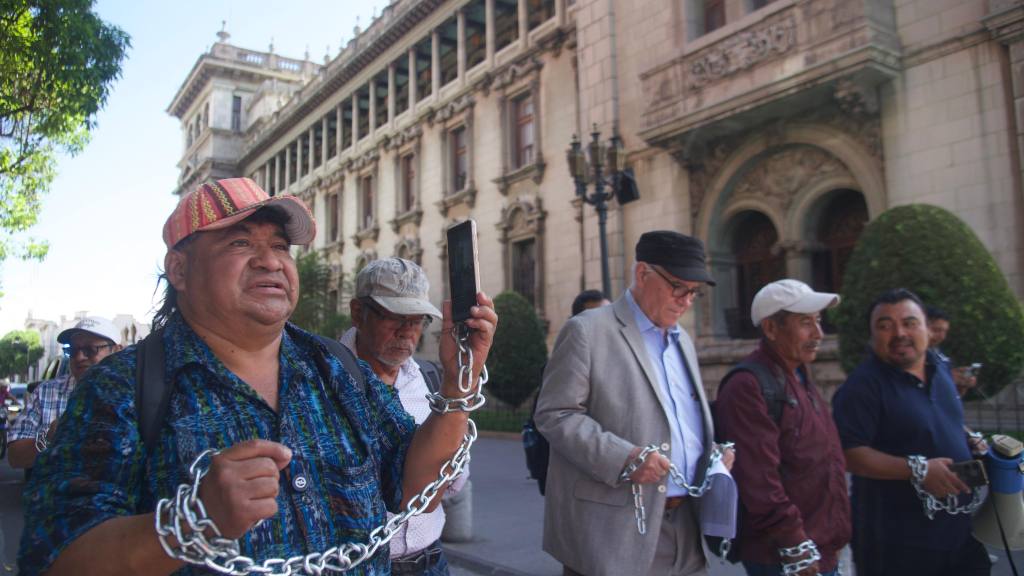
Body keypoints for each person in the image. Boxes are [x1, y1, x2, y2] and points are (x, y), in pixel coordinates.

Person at [17, 177, 497, 576]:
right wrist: (190, 523)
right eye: (241, 242)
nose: (270, 260)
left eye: (280, 246)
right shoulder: (120, 388)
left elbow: (416, 488)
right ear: (179, 269)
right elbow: (54, 557)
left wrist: (460, 381)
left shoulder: (337, 368)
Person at [536, 230, 734, 576]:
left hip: (686, 524)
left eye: (694, 292)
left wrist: (708, 453)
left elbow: (676, 420)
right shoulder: (587, 331)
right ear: (643, 273)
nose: (686, 301)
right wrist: (624, 458)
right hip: (614, 530)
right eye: (679, 287)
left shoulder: (683, 340)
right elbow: (555, 414)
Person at [832, 288, 990, 576]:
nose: (899, 333)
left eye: (909, 323)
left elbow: (937, 416)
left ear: (928, 329)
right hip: (897, 544)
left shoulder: (940, 367)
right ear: (872, 337)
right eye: (885, 326)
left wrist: (968, 439)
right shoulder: (861, 387)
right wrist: (919, 470)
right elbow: (848, 452)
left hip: (961, 533)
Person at [714, 279, 850, 576]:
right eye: (805, 323)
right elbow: (758, 479)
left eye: (817, 321)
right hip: (786, 557)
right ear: (771, 328)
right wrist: (794, 542)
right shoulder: (748, 386)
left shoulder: (797, 375)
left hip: (820, 549)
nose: (818, 333)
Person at [342, 257, 467, 575]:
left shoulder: (430, 378)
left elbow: (457, 480)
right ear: (358, 313)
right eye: (394, 317)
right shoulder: (324, 378)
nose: (407, 332)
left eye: (416, 320)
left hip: (430, 561)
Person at [524, 289, 611, 496]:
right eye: (600, 317)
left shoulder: (611, 359)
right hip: (574, 479)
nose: (609, 325)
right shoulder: (566, 359)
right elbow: (554, 418)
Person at [7, 316, 122, 470]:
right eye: (72, 351)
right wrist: (49, 438)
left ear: (117, 351)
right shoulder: (46, 393)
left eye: (90, 349)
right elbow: (15, 457)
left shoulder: (136, 394)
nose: (80, 357)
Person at [926, 306, 978, 397]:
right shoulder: (912, 357)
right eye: (936, 330)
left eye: (945, 331)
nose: (942, 337)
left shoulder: (939, 355)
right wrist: (948, 379)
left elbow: (954, 395)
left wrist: (962, 384)